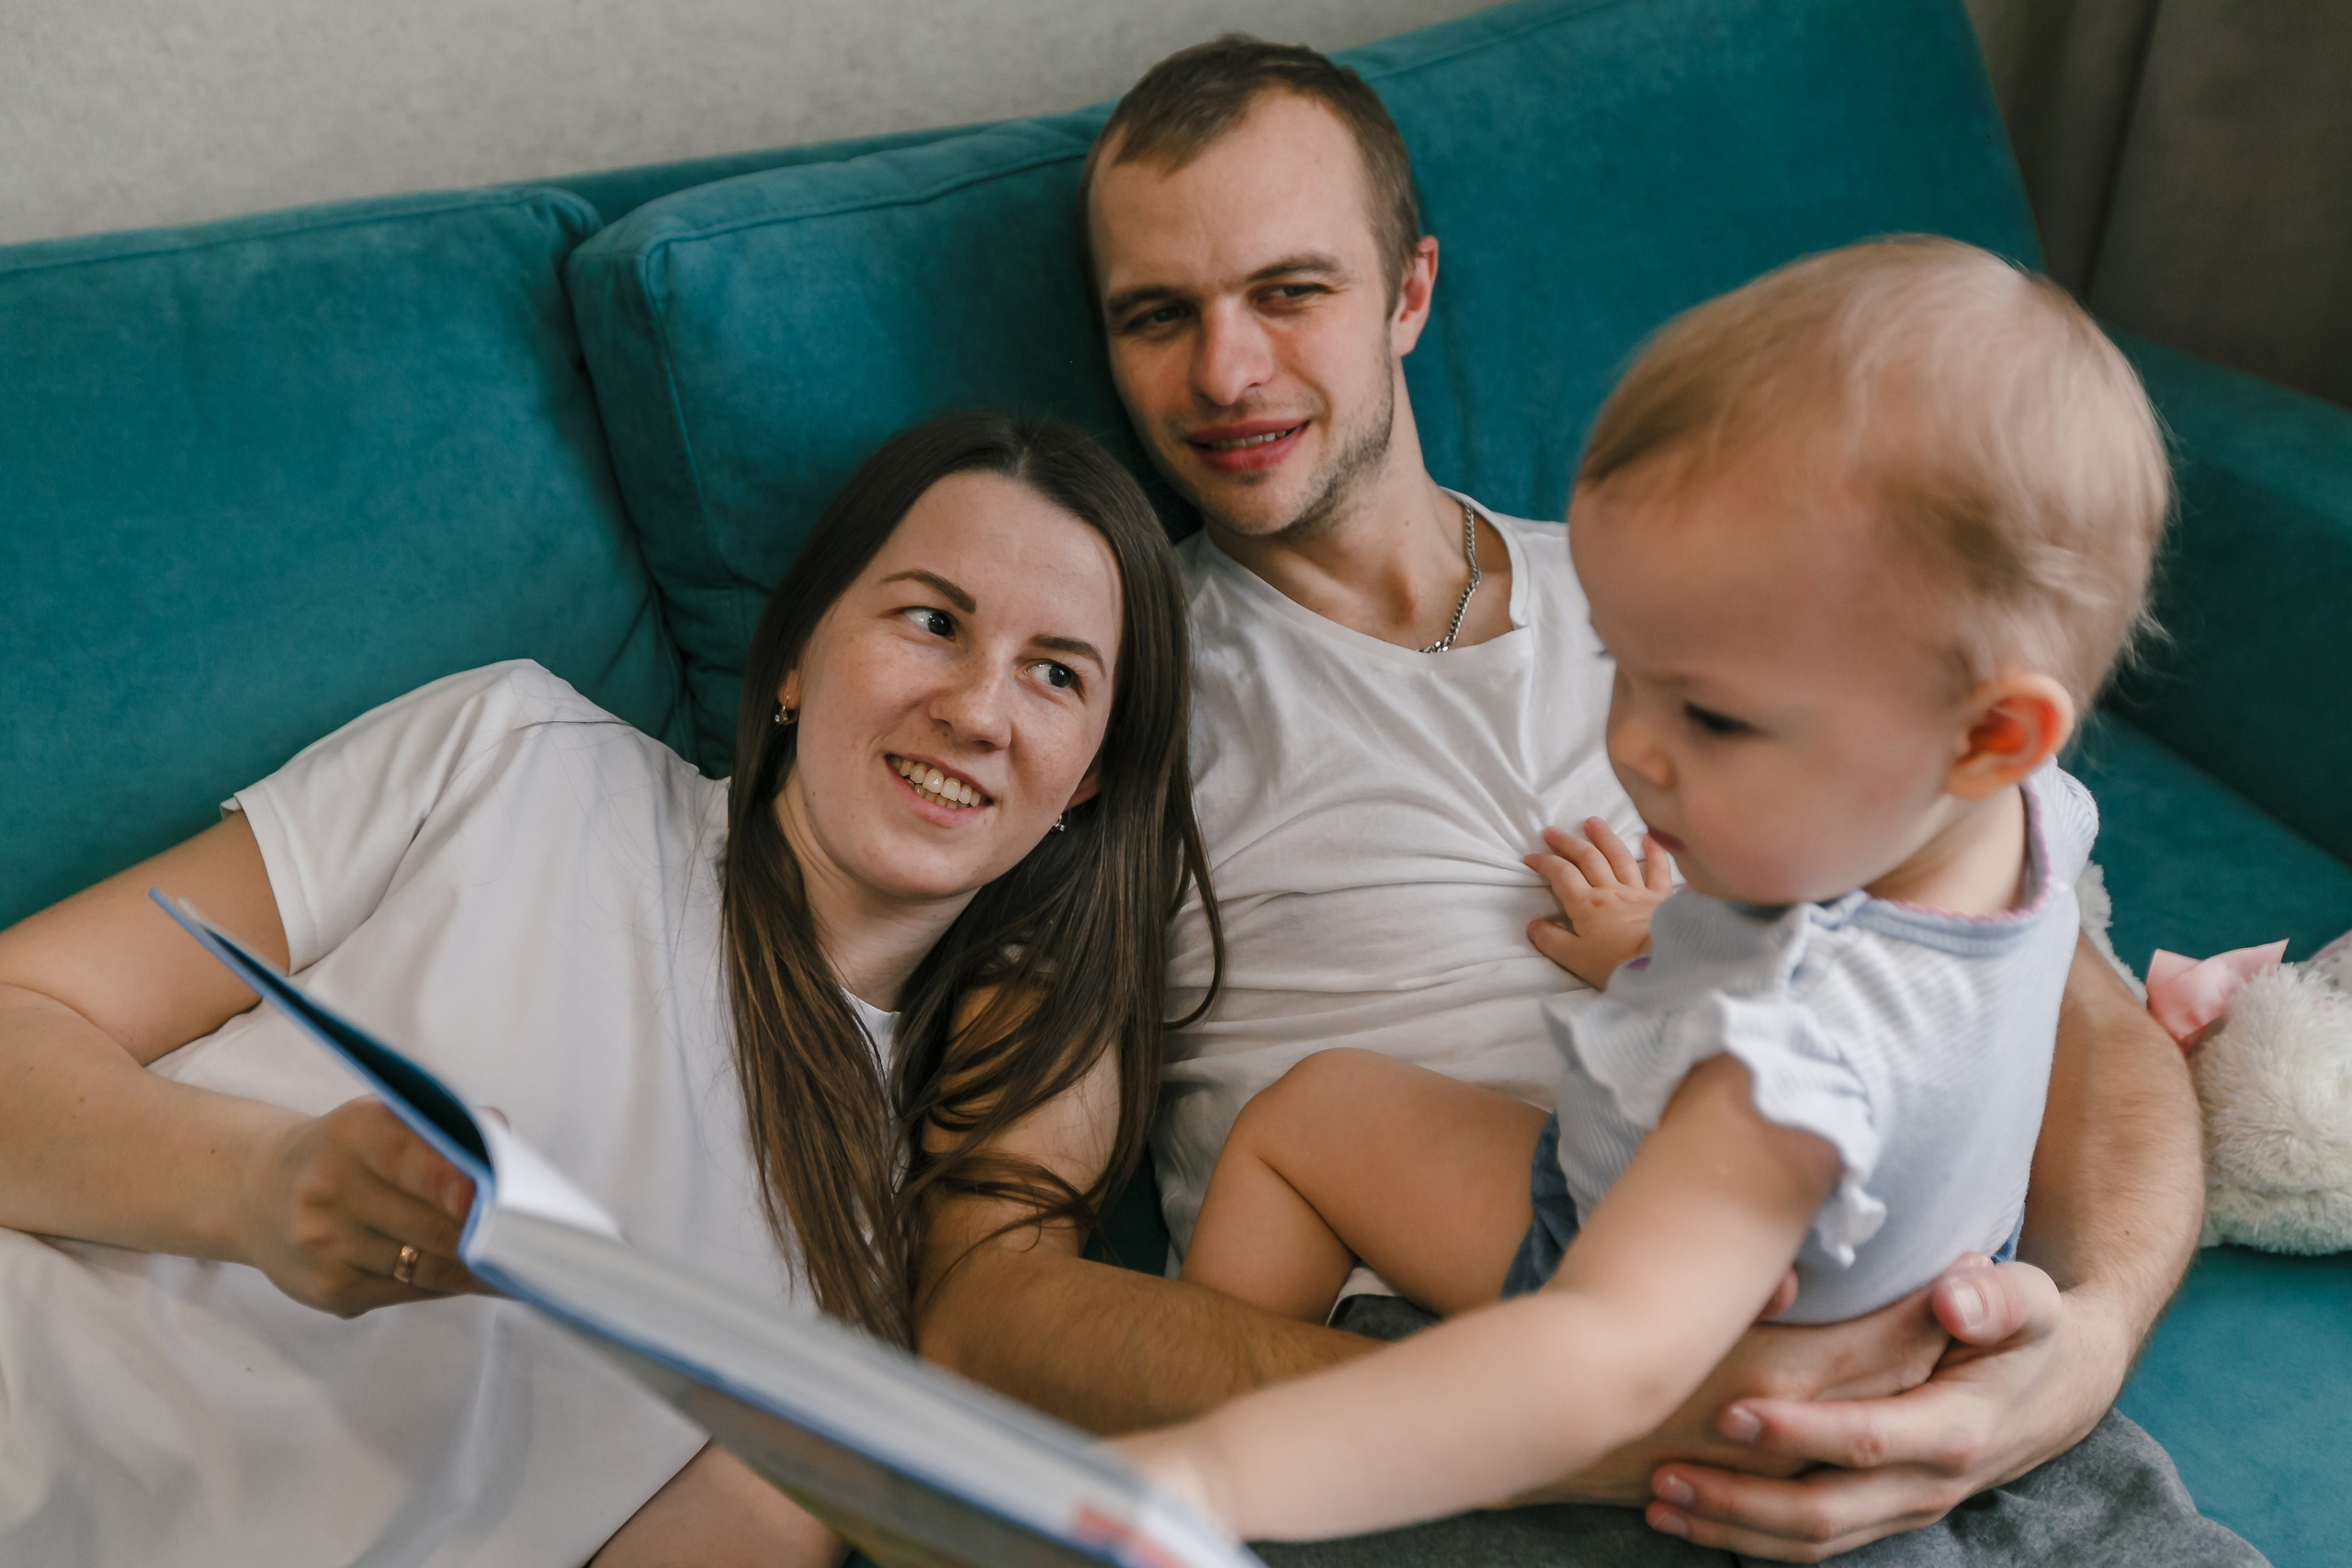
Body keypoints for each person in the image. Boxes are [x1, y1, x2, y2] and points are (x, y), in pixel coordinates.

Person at [915, 37, 2242, 1565]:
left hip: (1908, 1322)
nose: (1223, 373)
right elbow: (985, 1292)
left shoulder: (1735, 586)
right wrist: (1546, 1436)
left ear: (1410, 293)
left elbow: (2067, 1010)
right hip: (1463, 1397)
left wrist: (2077, 1351)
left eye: (1290, 292)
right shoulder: (1108, 702)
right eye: (1158, 315)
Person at [0, 412, 1215, 1567]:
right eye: (932, 621)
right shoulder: (516, 753)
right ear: (795, 658)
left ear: (1091, 781)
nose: (975, 710)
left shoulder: (907, 1266)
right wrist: (260, 1187)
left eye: (1055, 674)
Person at [1118, 234, 2173, 1542]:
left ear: (1987, 732)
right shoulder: (2023, 816)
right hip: (1907, 1269)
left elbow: (1595, 1361)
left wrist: (1212, 1473)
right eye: (1623, 667)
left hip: (1664, 1268)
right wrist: (1659, 950)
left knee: (1315, 1115)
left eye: (1715, 719)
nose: (1634, 752)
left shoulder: (1777, 1063)